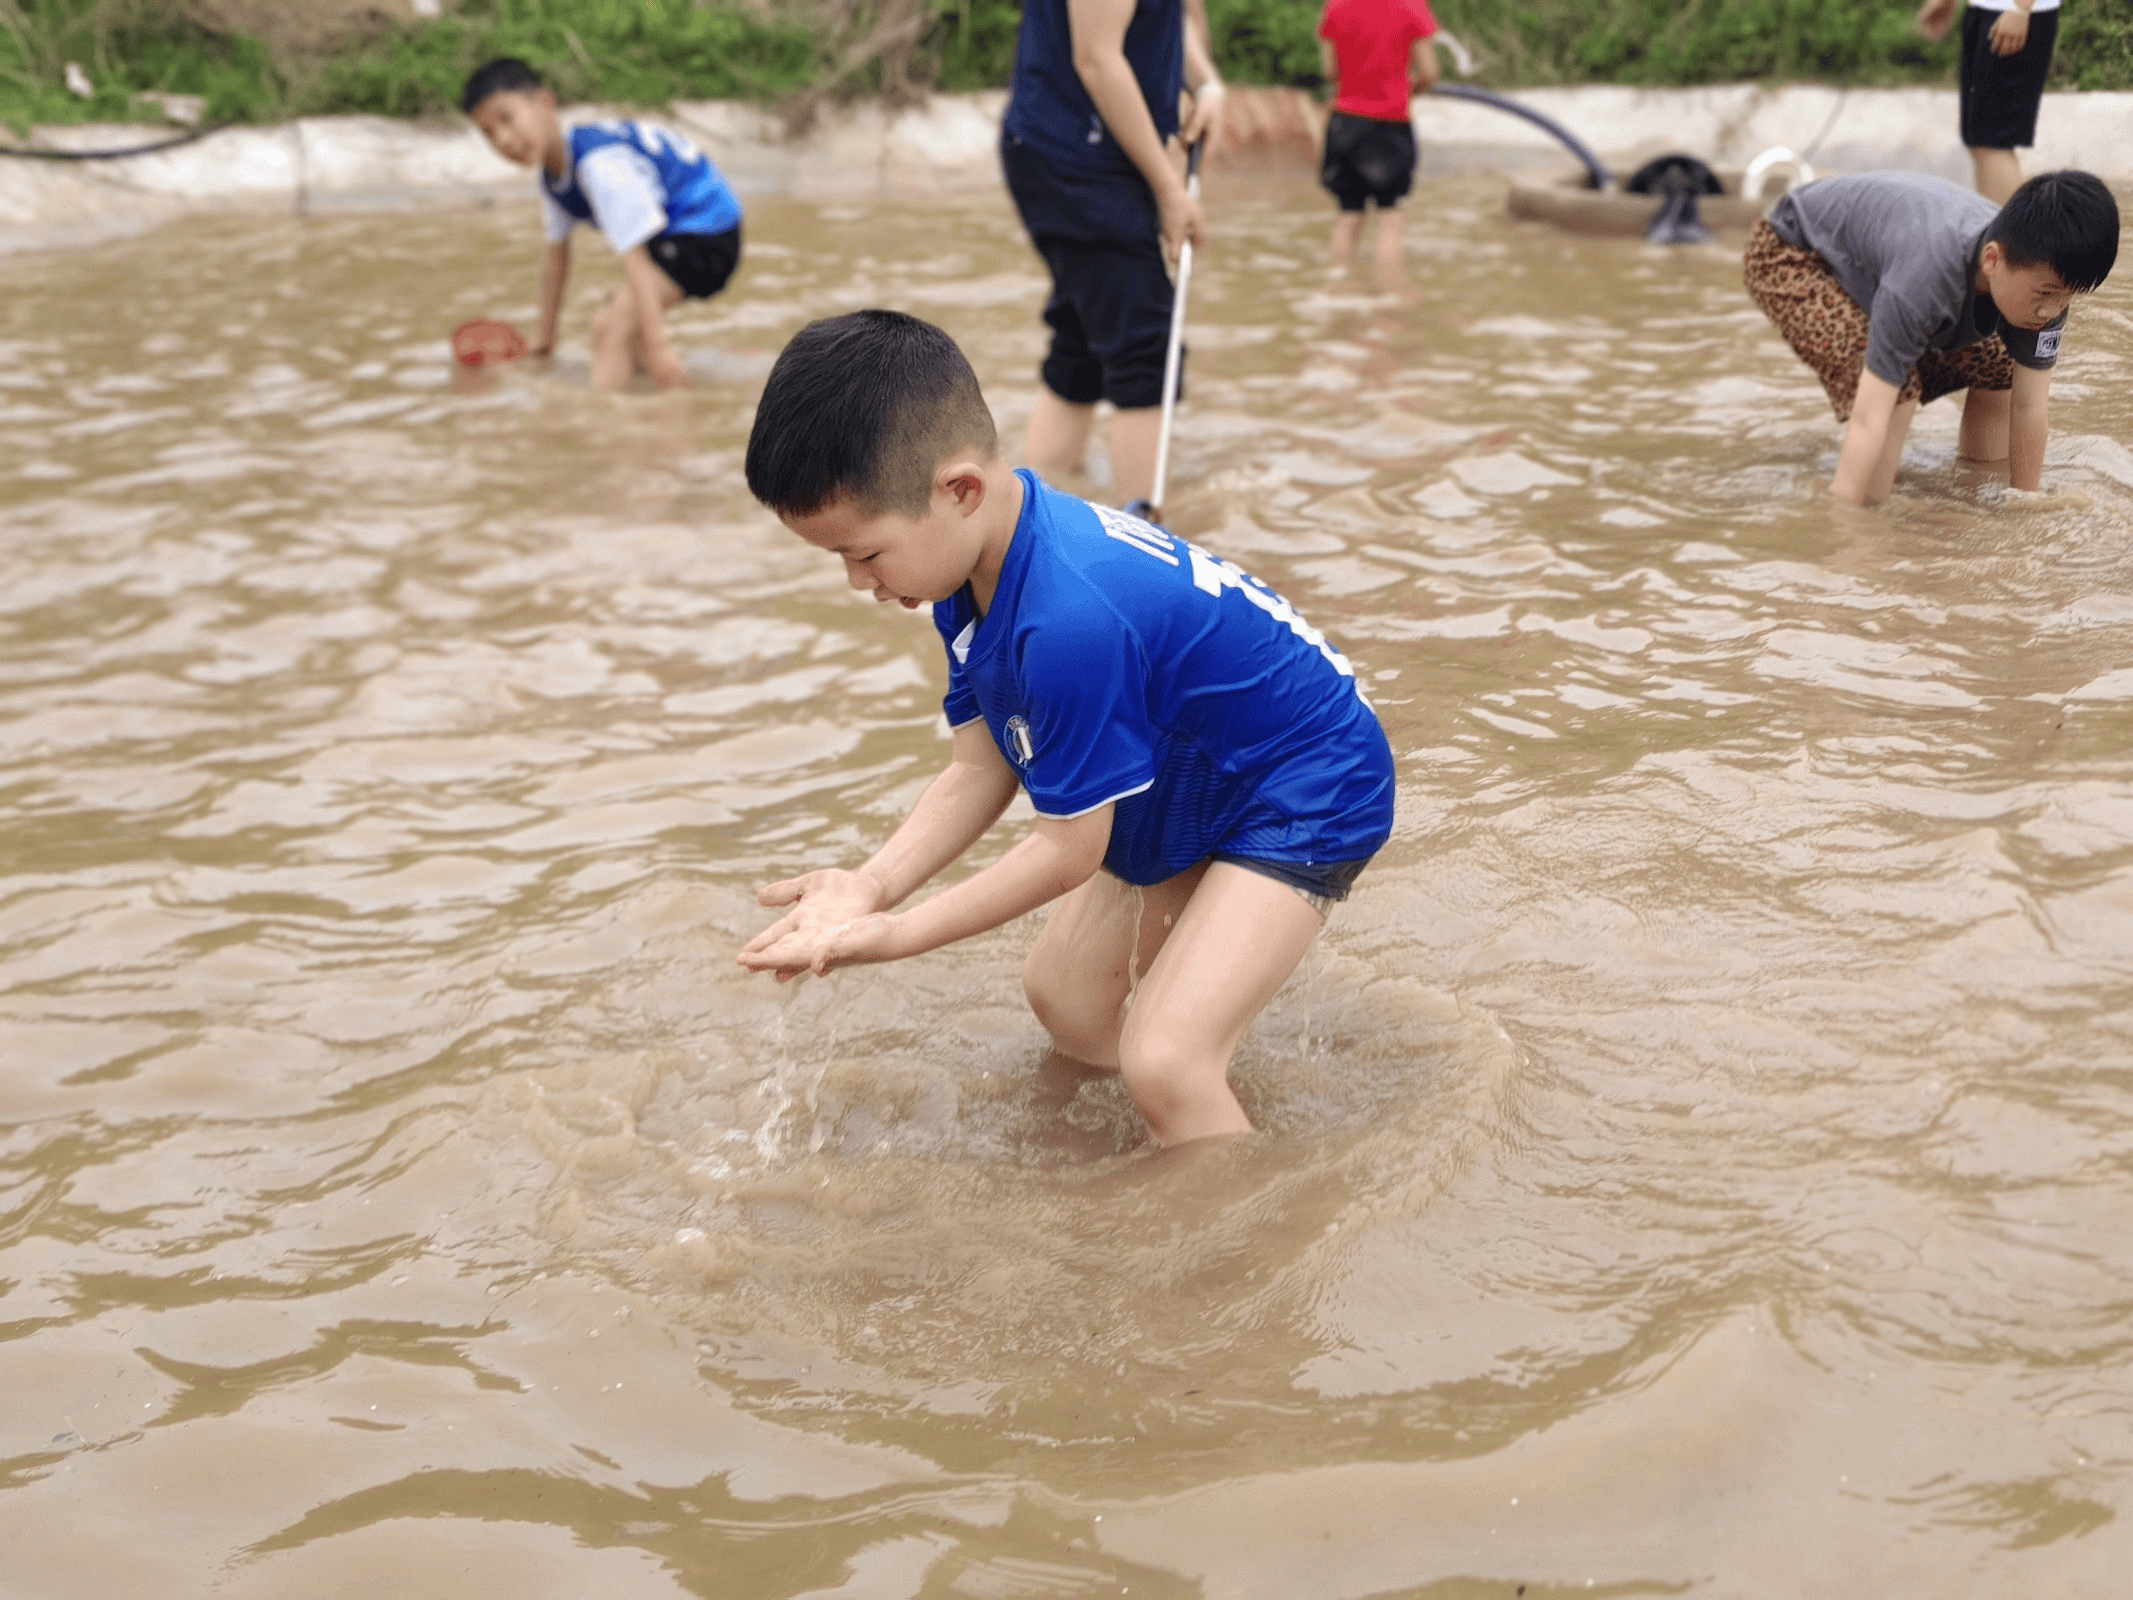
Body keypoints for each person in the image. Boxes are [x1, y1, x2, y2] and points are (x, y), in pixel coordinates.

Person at [737, 310, 1397, 1148]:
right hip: (1179, 757)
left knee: (1165, 1060)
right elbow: (981, 769)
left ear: (960, 489)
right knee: (1068, 1000)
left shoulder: (1067, 619)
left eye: (865, 554)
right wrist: (870, 885)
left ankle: (1243, 1246)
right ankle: (1166, 1132)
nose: (855, 582)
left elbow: (1067, 850)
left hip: (1302, 780)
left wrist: (898, 934)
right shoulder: (963, 571)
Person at [1743, 168, 2117, 505]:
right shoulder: (1924, 277)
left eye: (2068, 296)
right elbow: (1870, 417)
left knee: (2002, 366)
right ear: (1992, 260)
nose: (2052, 311)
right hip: (1793, 253)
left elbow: (2031, 406)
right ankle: (1866, 507)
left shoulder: (2044, 285)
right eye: (2044, 294)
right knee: (1897, 391)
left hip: (1888, 271)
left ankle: (1975, 485)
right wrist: (1852, 545)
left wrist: (2024, 504)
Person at [1001, 0, 1228, 507]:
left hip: (1079, 153)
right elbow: (1098, 58)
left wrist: (1206, 83)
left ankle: (1040, 515)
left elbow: (1161, 18)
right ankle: (1144, 540)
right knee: (1145, 346)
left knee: (1083, 341)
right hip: (1079, 159)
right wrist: (1170, 190)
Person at [461, 58, 742, 391]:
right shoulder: (554, 179)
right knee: (630, 333)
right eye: (489, 133)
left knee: (610, 325)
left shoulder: (599, 166)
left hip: (708, 229)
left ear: (546, 102)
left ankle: (609, 426)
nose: (504, 139)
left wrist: (660, 346)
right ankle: (703, 387)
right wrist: (545, 340)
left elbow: (633, 256)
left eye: (507, 118)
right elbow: (556, 264)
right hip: (678, 229)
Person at [1317, 0, 1441, 268]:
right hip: (1390, 125)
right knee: (1390, 217)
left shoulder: (1336, 6)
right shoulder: (1411, 6)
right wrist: (1409, 90)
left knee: (1348, 214)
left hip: (1345, 123)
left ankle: (1341, 292)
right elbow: (1429, 72)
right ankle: (1389, 298)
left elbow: (1330, 71)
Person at [1916, 0, 2063, 204]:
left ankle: (2011, 234)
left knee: (1993, 142)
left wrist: (2021, 8)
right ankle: (1997, 229)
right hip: (1989, 10)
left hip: (2014, 13)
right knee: (1980, 140)